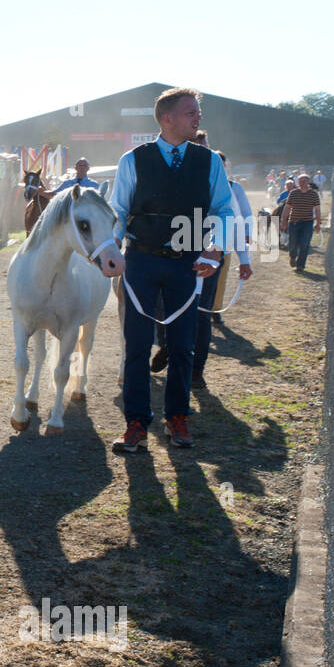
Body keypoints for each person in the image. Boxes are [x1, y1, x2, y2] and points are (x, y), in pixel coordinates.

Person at [108, 87, 233, 452]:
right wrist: (111, 248)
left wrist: (215, 248)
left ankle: (177, 417)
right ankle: (135, 424)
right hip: (141, 260)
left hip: (188, 262)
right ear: (168, 118)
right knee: (136, 344)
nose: (198, 118)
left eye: (198, 112)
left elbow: (224, 211)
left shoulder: (208, 161)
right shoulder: (132, 159)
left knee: (182, 344)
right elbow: (117, 209)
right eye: (191, 112)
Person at [192, 152, 254, 388]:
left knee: (202, 313)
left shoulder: (228, 190)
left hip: (211, 259)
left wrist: (244, 259)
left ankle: (196, 370)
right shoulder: (177, 181)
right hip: (178, 259)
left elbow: (237, 222)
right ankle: (170, 351)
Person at [283, 173, 322, 271]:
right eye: (300, 181)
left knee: (305, 243)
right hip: (294, 221)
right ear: (298, 182)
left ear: (308, 182)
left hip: (307, 222)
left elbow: (317, 209)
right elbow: (287, 208)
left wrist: (318, 223)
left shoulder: (313, 194)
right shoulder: (293, 193)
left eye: (304, 181)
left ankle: (300, 265)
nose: (302, 183)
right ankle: (293, 256)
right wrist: (283, 221)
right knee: (293, 243)